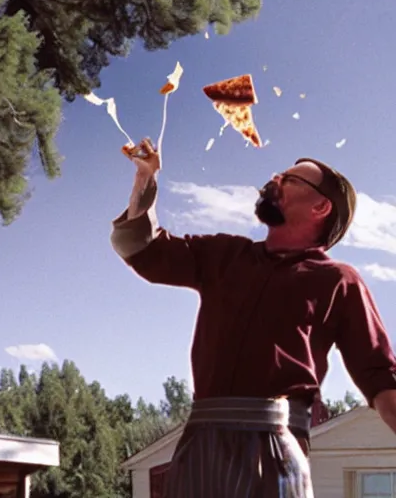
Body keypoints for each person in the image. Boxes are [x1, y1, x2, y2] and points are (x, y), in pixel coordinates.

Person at [110, 138, 396, 498]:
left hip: (275, 446)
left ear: (321, 206)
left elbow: (380, 379)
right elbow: (142, 249)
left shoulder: (339, 280)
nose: (275, 179)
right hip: (200, 444)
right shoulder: (226, 255)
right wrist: (145, 179)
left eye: (291, 179)